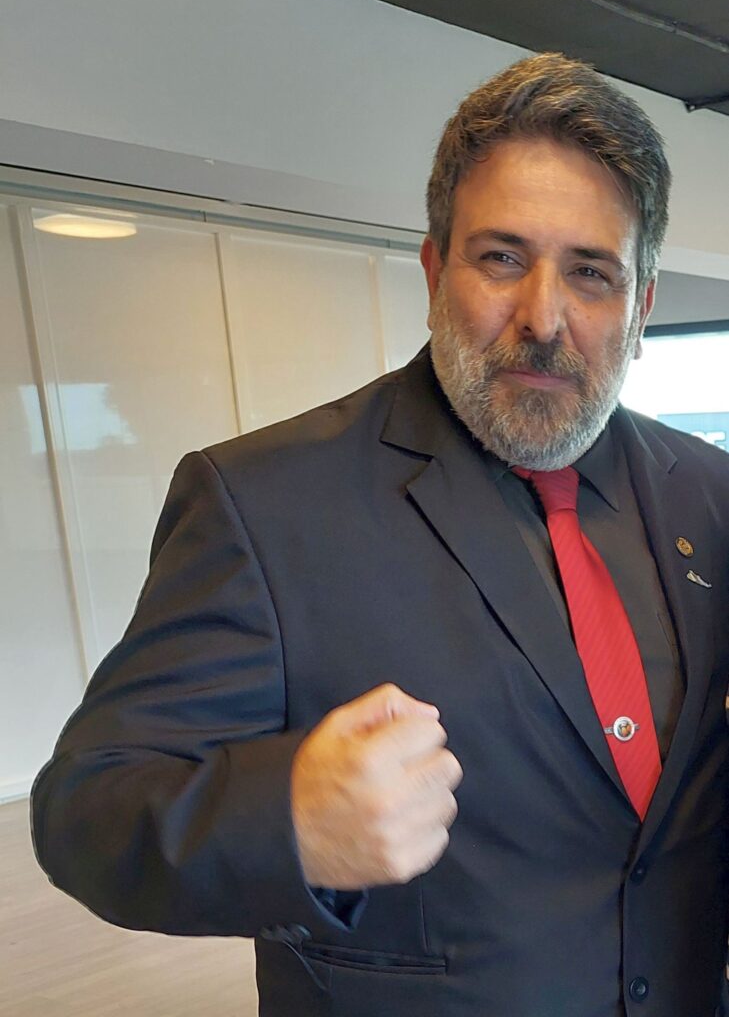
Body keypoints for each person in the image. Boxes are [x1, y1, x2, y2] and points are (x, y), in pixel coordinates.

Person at [32, 53, 729, 1017]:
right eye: (501, 258)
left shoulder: (706, 493)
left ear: (640, 306)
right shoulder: (263, 503)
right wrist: (285, 821)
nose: (543, 316)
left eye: (590, 272)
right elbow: (86, 811)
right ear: (436, 271)